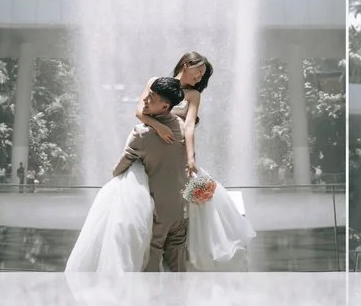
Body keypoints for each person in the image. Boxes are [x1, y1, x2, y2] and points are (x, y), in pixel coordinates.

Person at [137, 51, 255, 270]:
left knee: (193, 203)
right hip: (153, 150)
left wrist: (191, 158)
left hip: (176, 151)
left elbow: (189, 126)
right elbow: (140, 112)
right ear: (185, 64)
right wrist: (159, 126)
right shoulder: (156, 83)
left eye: (203, 75)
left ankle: (182, 260)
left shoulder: (193, 95)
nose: (200, 77)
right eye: (198, 71)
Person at [65, 76, 190, 271]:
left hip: (157, 211)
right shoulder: (183, 128)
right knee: (178, 265)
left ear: (165, 106)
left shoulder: (141, 134)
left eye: (152, 98)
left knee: (151, 263)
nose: (145, 100)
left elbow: (119, 169)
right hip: (181, 210)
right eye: (148, 94)